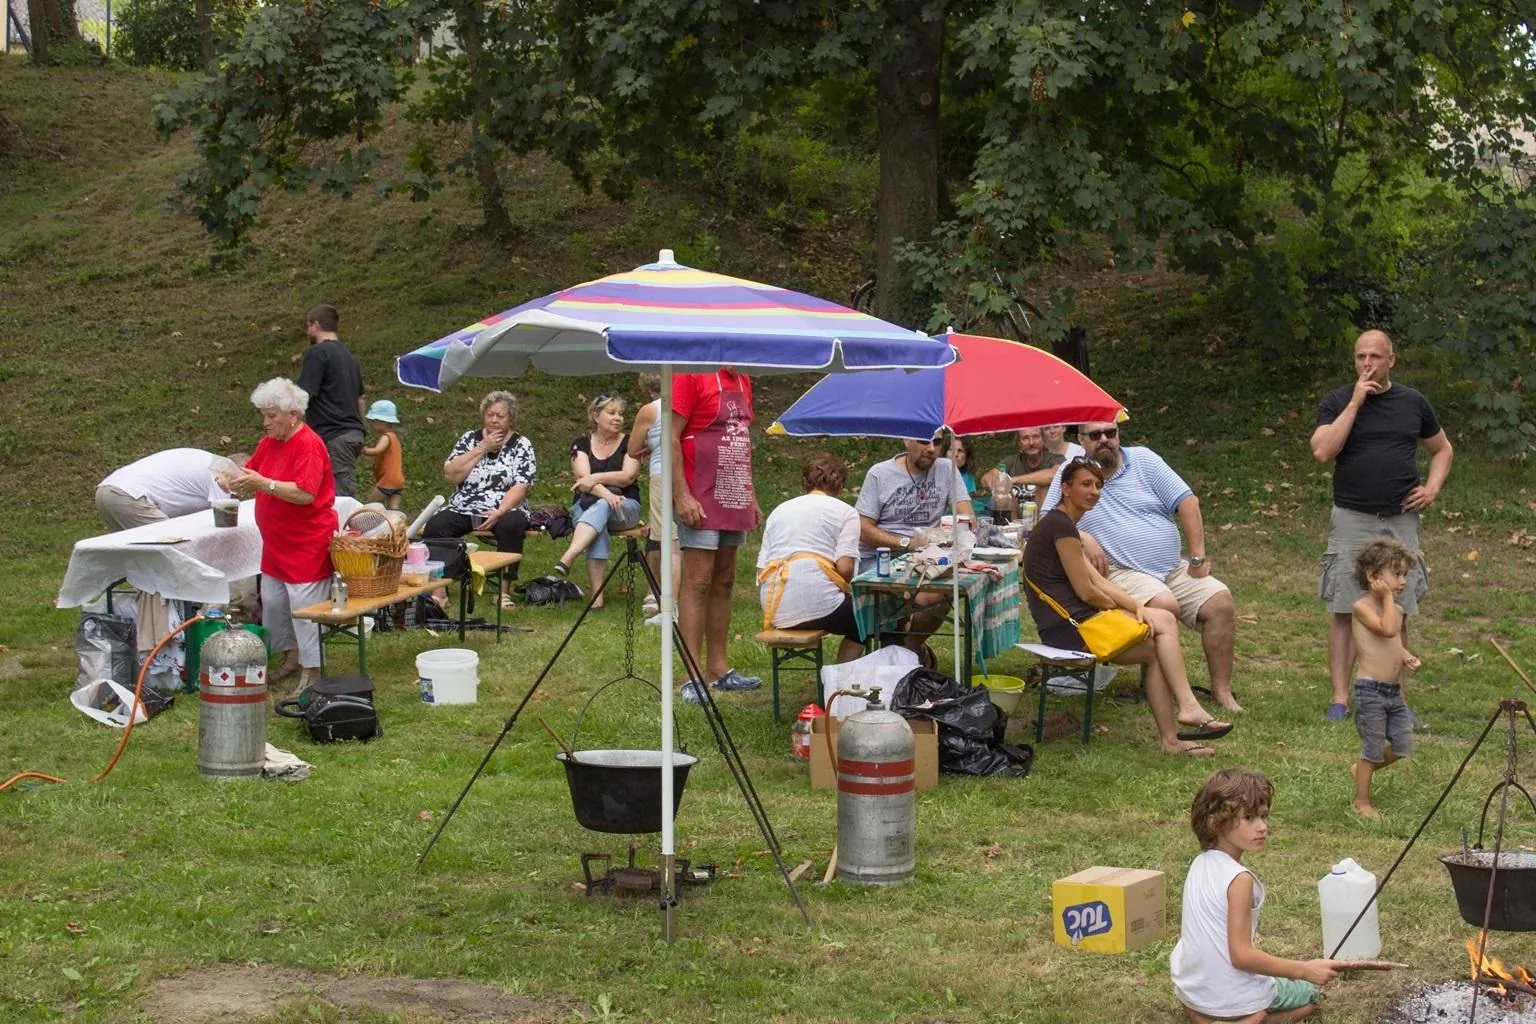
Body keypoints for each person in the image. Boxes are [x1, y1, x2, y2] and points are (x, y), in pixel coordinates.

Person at [1023, 456, 1231, 756]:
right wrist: (1119, 610)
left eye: (1098, 485)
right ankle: (1185, 713)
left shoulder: (1063, 524)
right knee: (1162, 631)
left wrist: (1135, 605)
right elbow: (1087, 592)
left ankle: (1176, 732)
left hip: (1082, 623)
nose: (1094, 491)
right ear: (1065, 488)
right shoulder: (1060, 527)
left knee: (1158, 635)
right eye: (1086, 484)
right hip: (1072, 630)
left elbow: (1101, 582)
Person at [1041, 422, 1242, 713]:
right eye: (1095, 435)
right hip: (1120, 570)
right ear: (1081, 440)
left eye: (1111, 432)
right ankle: (1153, 688)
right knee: (1164, 604)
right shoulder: (1072, 473)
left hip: (1172, 567)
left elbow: (1187, 501)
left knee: (1220, 601)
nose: (1105, 440)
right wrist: (1083, 536)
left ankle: (1221, 691)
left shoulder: (1144, 460)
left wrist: (1197, 557)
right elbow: (1049, 522)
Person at [1311, 329, 1452, 722]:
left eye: (1375, 356)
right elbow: (1323, 451)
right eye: (1360, 357)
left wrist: (1432, 488)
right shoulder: (1338, 401)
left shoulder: (1413, 402)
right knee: (1343, 607)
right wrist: (1356, 402)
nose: (1367, 363)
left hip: (1399, 520)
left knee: (1398, 610)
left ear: (1391, 360)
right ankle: (1340, 699)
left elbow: (1442, 449)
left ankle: (1397, 704)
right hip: (1352, 517)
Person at [1171, 768, 1348, 1023]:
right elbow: (1242, 956)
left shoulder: (1200, 863)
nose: (1263, 827)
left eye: (1264, 816)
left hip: (1192, 989)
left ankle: (1203, 1016)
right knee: (1310, 996)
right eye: (1250, 818)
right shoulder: (1240, 880)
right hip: (1232, 996)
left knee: (1219, 994)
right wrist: (1306, 970)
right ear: (1214, 822)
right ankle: (1254, 1019)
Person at [226, 378, 336, 692]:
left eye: (272, 415)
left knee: (304, 608)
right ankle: (291, 658)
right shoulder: (269, 442)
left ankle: (313, 670)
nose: (266, 422)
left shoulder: (309, 445)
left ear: (293, 415)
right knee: (274, 603)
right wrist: (233, 481)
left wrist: (265, 485)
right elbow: (251, 473)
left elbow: (305, 493)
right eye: (264, 414)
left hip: (306, 543)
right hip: (276, 544)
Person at [672, 368, 761, 700]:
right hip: (700, 489)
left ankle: (719, 669)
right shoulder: (691, 374)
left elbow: (741, 440)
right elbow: (670, 436)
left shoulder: (743, 380)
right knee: (698, 580)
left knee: (724, 579)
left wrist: (750, 496)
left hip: (733, 488)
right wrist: (681, 494)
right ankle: (691, 674)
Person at [855, 430, 974, 654]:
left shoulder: (947, 469)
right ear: (906, 440)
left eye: (937, 442)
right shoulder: (880, 474)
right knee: (923, 592)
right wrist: (906, 542)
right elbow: (862, 528)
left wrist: (953, 529)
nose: (931, 448)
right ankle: (902, 646)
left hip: (928, 555)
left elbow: (966, 516)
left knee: (940, 592)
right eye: (923, 440)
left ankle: (907, 650)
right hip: (881, 558)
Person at [422, 391, 536, 610]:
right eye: (490, 414)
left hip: (505, 506)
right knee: (437, 526)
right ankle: (439, 590)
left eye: (500, 416)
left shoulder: (521, 444)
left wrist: (500, 511)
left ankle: (503, 592)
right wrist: (481, 448)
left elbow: (522, 485)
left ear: (511, 419)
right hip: (465, 505)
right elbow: (451, 475)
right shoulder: (469, 439)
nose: (493, 420)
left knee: (513, 524)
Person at [756, 454, 865, 664]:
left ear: (805, 483)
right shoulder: (846, 512)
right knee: (867, 618)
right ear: (840, 486)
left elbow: (761, 570)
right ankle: (841, 679)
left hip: (774, 606)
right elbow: (845, 568)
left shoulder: (779, 511)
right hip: (821, 604)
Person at [1348, 540, 1421, 819]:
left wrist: (1405, 656)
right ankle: (1362, 802)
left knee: (1403, 745)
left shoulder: (1397, 611)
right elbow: (1387, 630)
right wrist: (1388, 600)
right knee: (1373, 747)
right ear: (1373, 577)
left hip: (1392, 691)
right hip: (1370, 691)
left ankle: (1361, 771)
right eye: (1396, 574)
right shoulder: (1361, 607)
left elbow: (1392, 643)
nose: (1402, 581)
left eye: (1404, 575)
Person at [552, 395, 642, 606]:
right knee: (598, 520)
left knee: (601, 507)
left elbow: (628, 476)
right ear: (595, 416)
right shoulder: (580, 444)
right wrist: (608, 494)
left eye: (620, 414)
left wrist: (595, 478)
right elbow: (582, 479)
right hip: (587, 506)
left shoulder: (631, 442)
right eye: (611, 413)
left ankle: (570, 555)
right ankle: (596, 597)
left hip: (625, 507)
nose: (618, 418)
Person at [296, 304, 367, 499]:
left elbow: (303, 395)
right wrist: (360, 429)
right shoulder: (350, 357)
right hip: (352, 434)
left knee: (338, 498)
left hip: (333, 435)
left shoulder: (318, 353)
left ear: (316, 325)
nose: (307, 331)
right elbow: (360, 398)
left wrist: (293, 428)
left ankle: (342, 530)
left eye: (308, 326)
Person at [95, 448, 246, 530]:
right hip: (130, 496)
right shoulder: (224, 471)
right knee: (173, 546)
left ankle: (147, 587)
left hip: (107, 490)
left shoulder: (206, 459)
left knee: (139, 554)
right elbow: (224, 522)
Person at [626, 374, 676, 617]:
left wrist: (649, 445)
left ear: (646, 386)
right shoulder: (688, 403)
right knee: (681, 535)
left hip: (662, 473)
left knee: (660, 535)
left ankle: (656, 592)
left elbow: (633, 449)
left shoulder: (649, 410)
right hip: (690, 473)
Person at [982, 428, 1065, 505]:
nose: (1031, 442)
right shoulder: (1011, 461)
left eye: (1036, 437)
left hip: (1044, 516)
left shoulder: (1056, 459)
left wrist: (1012, 480)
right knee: (1005, 493)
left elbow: (1055, 474)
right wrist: (994, 483)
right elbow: (987, 477)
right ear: (1019, 443)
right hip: (1015, 516)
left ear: (1043, 440)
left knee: (1044, 488)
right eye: (1025, 438)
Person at [361, 399, 405, 510]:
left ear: (382, 422)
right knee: (393, 510)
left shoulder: (386, 437)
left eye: (374, 421)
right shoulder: (394, 437)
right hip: (398, 480)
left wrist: (364, 450)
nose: (372, 424)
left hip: (388, 481)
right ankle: (399, 526)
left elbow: (377, 450)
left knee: (367, 507)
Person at [949, 436, 988, 519]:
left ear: (966, 457)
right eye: (951, 450)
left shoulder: (968, 477)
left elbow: (967, 506)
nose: (955, 454)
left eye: (960, 451)